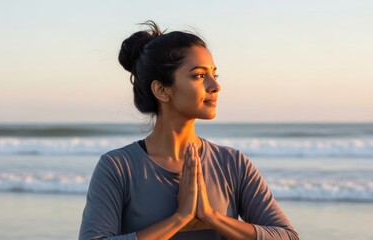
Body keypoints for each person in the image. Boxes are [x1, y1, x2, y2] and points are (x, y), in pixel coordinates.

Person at [79, 21, 299, 240]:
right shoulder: (118, 167)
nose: (215, 85)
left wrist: (212, 217)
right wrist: (179, 218)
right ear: (162, 90)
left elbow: (287, 236)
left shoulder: (232, 164)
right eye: (199, 76)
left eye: (214, 74)